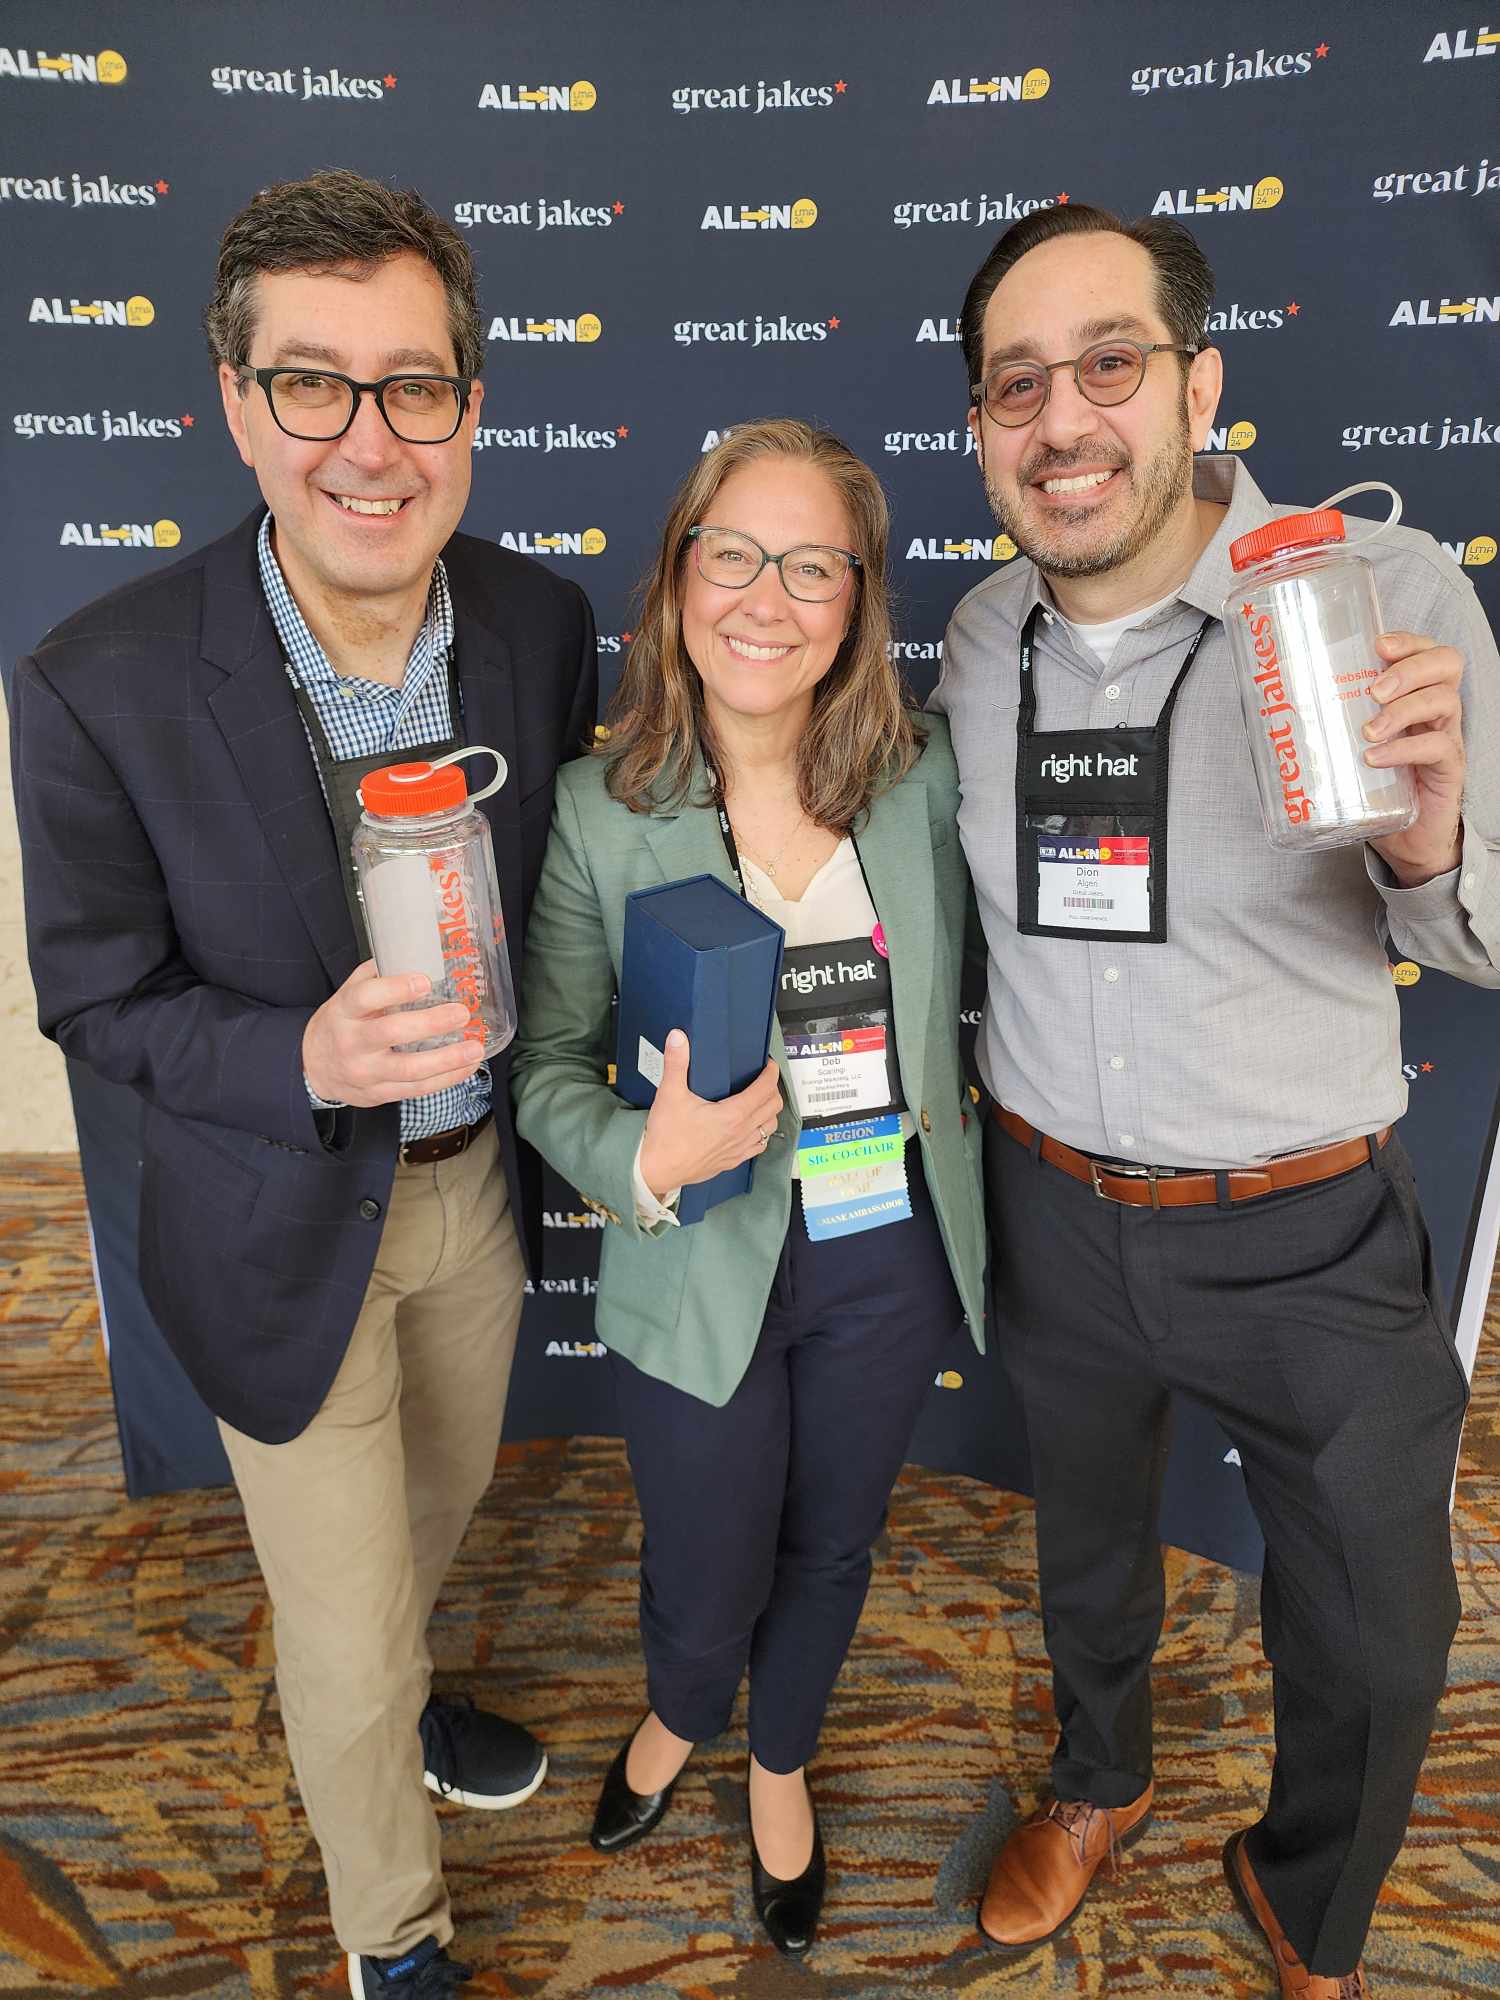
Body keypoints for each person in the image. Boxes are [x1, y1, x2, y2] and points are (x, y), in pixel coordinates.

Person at [11, 170, 597, 1998]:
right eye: (312, 384)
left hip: (471, 1192)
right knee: (337, 1633)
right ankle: (389, 1938)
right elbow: (94, 996)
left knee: (432, 1517)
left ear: (472, 411)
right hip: (272, 1215)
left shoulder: (535, 623)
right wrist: (293, 1054)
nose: (369, 440)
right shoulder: (99, 679)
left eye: (413, 386)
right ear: (234, 404)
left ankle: (395, 1708)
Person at [930, 201, 1500, 1999]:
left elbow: (1485, 936)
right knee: (1085, 1546)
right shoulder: (975, 638)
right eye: (1017, 384)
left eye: (1110, 363)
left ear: (1200, 384)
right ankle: (1101, 1781)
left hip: (1307, 1226)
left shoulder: (1379, 595)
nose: (1064, 418)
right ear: (980, 430)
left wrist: (1434, 841)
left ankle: (1305, 1891)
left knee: (1386, 1638)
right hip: (1054, 1204)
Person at [510, 419, 986, 1956]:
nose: (765, 599)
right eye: (733, 556)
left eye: (811, 566)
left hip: (881, 1244)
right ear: (677, 575)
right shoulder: (602, 809)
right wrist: (632, 1160)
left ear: (857, 600)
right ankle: (677, 1711)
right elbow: (545, 1072)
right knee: (705, 1567)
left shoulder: (925, 784)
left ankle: (778, 1765)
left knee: (836, 1540)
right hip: (694, 1259)